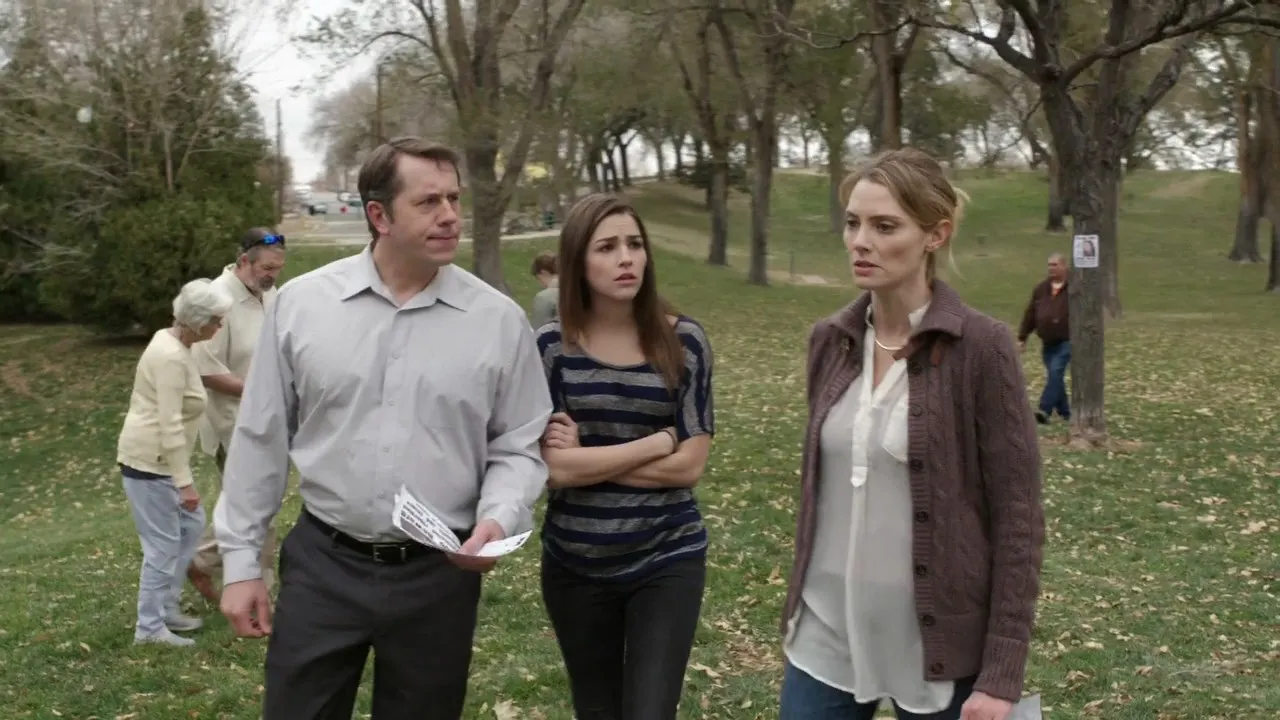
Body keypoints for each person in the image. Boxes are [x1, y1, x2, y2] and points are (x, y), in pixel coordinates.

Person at [212, 137, 553, 719]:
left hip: (439, 576)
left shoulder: (498, 320)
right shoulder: (302, 307)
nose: (449, 216)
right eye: (428, 202)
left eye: (454, 199)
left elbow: (519, 444)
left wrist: (498, 517)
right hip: (323, 566)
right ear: (379, 215)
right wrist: (242, 564)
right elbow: (260, 439)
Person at [778, 147, 1045, 720]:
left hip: (934, 647)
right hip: (825, 634)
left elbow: (1017, 517)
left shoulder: (982, 348)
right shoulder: (830, 340)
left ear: (935, 235)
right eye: (852, 223)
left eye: (884, 226)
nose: (860, 241)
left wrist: (1002, 673)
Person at [536, 192, 715, 720]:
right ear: (577, 261)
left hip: (666, 557)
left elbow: (690, 467)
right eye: (607, 247)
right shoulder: (551, 348)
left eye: (635, 244)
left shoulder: (685, 342)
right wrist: (658, 441)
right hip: (574, 563)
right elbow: (552, 470)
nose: (626, 259)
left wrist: (588, 459)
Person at [116, 278, 234, 647]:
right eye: (216, 319)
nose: (220, 325)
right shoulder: (169, 357)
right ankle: (149, 628)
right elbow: (168, 424)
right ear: (197, 322)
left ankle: (165, 607)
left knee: (191, 525)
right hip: (149, 460)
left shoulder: (178, 344)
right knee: (163, 546)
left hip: (159, 460)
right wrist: (184, 483)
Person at [187, 228, 287, 603]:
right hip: (231, 424)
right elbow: (203, 370)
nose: (272, 275)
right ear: (244, 261)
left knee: (253, 504)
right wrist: (258, 391)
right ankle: (259, 591)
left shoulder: (269, 293)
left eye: (277, 268)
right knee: (257, 505)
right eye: (266, 268)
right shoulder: (217, 300)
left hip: (268, 420)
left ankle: (199, 560)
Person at [1016, 253, 1071, 424]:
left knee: (1055, 371)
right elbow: (1030, 314)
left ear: (1064, 266)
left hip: (1067, 340)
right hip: (1048, 342)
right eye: (1049, 265)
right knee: (1055, 376)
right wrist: (1022, 337)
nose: (1051, 268)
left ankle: (1044, 409)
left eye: (1055, 265)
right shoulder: (1041, 289)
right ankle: (1066, 412)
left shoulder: (1074, 288)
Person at [530, 250, 559, 329]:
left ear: (543, 273)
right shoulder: (575, 290)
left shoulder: (544, 297)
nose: (540, 284)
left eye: (538, 278)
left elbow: (538, 328)